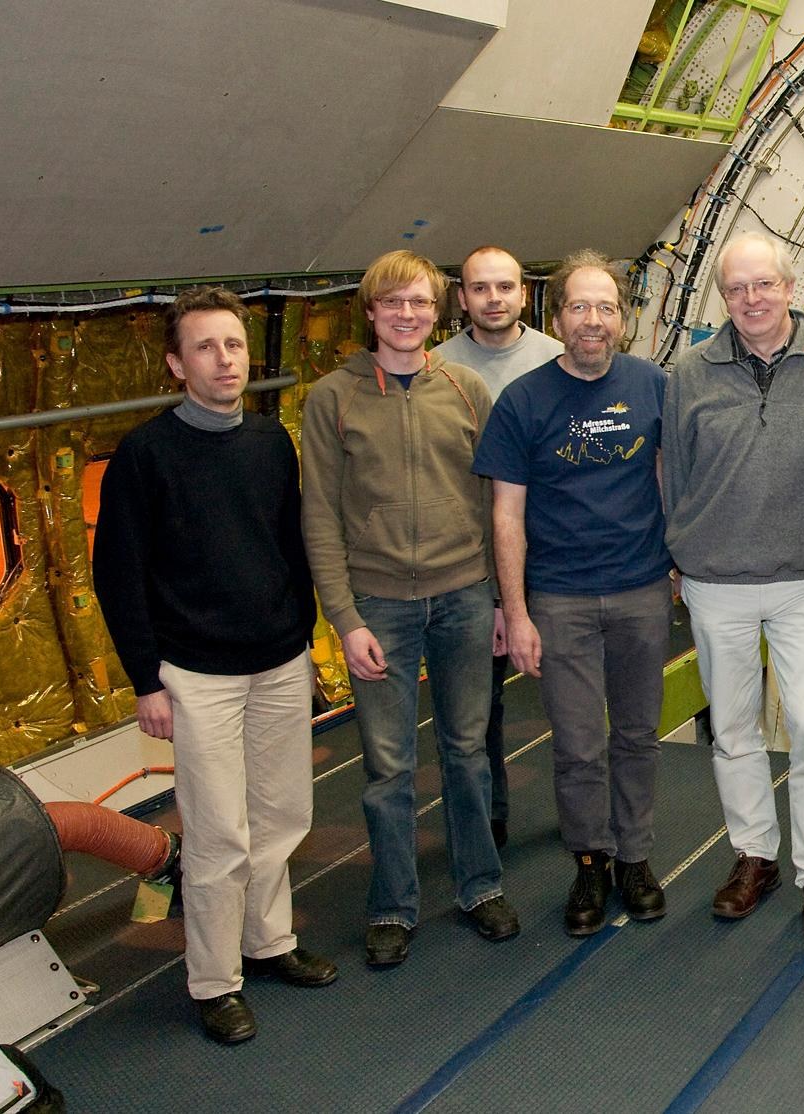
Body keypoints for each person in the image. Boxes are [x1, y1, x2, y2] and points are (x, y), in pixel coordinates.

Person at [93, 287, 336, 1044]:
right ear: (177, 365)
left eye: (233, 345)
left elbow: (289, 548)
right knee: (218, 833)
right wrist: (146, 680)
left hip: (278, 661)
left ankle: (268, 942)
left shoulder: (269, 443)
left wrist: (303, 640)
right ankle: (214, 980)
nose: (224, 360)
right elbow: (117, 574)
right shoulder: (145, 455)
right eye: (205, 347)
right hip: (196, 674)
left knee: (283, 815)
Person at [302, 250, 520, 968]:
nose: (407, 314)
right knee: (387, 769)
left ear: (437, 312)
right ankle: (393, 905)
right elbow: (319, 518)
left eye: (420, 302)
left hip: (464, 597)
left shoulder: (464, 389)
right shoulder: (332, 399)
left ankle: (480, 886)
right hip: (379, 607)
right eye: (393, 302)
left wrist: (498, 598)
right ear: (370, 312)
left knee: (468, 753)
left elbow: (494, 503)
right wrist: (345, 620)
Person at [473, 250, 673, 935]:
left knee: (639, 736)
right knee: (579, 745)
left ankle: (634, 857)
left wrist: (676, 563)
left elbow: (667, 476)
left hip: (641, 589)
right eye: (579, 307)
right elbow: (506, 515)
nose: (593, 320)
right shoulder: (522, 401)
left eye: (605, 308)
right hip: (560, 599)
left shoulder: (652, 385)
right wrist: (517, 612)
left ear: (622, 319)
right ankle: (590, 860)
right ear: (555, 318)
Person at [662, 230, 804, 946]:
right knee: (734, 730)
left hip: (802, 575)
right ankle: (754, 856)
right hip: (716, 580)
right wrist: (678, 554)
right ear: (723, 297)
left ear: (789, 286)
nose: (751, 299)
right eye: (736, 289)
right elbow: (674, 472)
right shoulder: (690, 371)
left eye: (764, 284)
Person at [434, 245, 565, 849]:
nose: (494, 299)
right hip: (473, 566)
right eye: (480, 288)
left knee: (572, 696)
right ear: (462, 298)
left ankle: (583, 810)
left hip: (556, 557)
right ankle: (489, 817)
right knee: (476, 710)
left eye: (505, 287)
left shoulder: (558, 359)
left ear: (523, 293)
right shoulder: (437, 369)